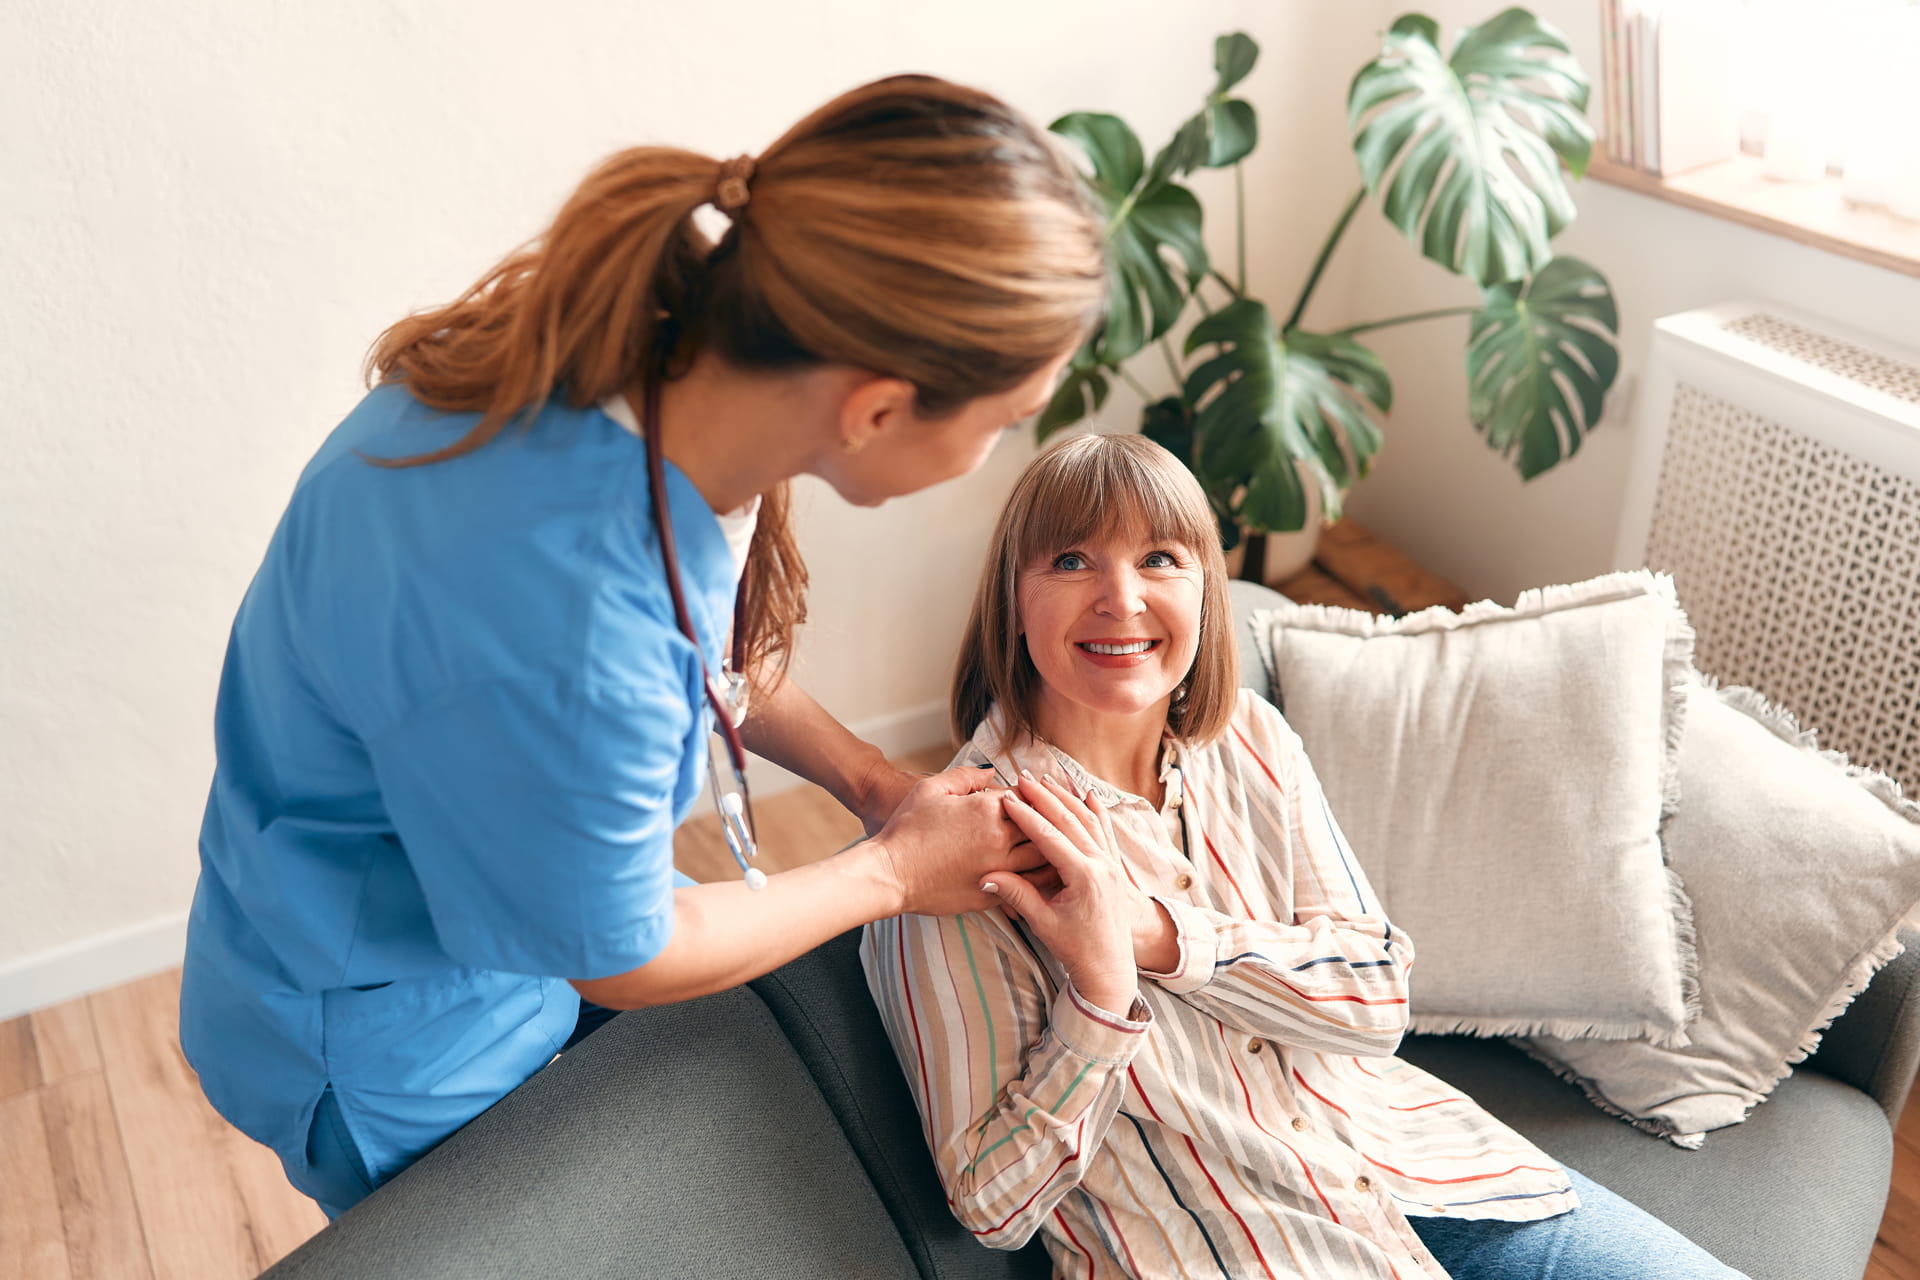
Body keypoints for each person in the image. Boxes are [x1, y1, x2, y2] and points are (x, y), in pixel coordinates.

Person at [180, 75, 1107, 1219]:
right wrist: (893, 873)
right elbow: (623, 952)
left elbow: (698, 651)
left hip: (450, 898)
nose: (1001, 447)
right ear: (874, 407)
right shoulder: (562, 618)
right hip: (388, 1027)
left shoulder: (643, 370)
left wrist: (876, 785)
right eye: (1006, 419)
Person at [862, 433, 1749, 1279]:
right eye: (1070, 560)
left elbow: (1376, 997)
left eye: (1160, 559)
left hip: (1428, 1175)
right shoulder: (961, 852)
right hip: (1241, 1252)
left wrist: (1159, 935)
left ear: (1206, 590)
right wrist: (1097, 997)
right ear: (1012, 602)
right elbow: (992, 1206)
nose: (1121, 598)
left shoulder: (1251, 738)